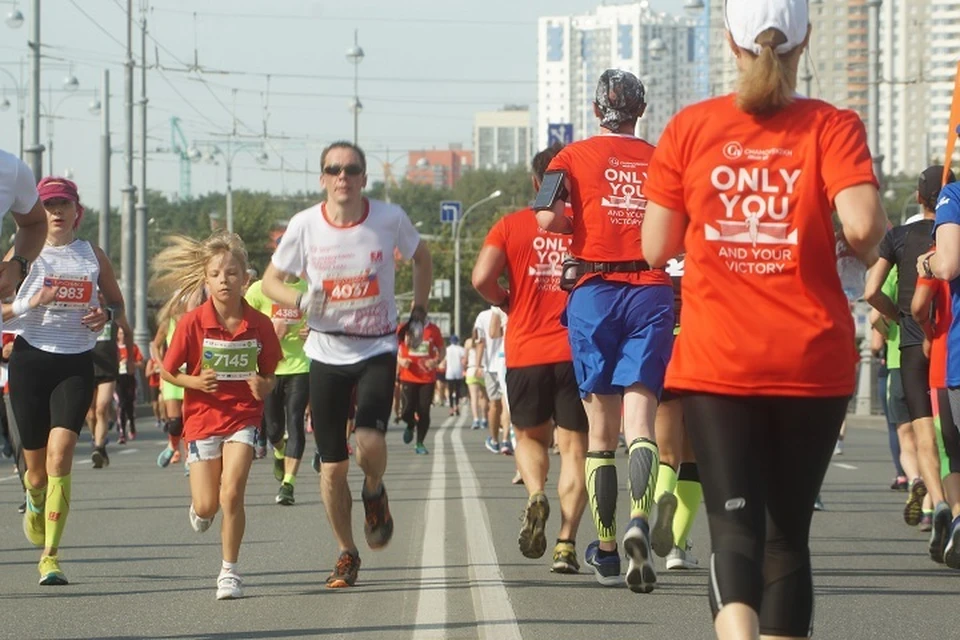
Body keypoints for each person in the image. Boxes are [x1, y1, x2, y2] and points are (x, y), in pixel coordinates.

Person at [640, 0, 887, 635]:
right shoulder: (832, 126)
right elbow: (863, 230)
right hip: (811, 360)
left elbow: (656, 247)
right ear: (805, 41)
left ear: (729, 40)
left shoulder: (690, 128)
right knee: (786, 538)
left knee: (735, 532)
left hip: (719, 362)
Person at [260, 140, 432, 588]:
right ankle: (346, 552)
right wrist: (300, 299)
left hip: (376, 347)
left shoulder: (388, 219)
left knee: (370, 441)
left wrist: (418, 310)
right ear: (322, 179)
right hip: (325, 352)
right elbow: (270, 281)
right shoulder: (304, 226)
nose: (343, 177)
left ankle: (374, 489)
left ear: (363, 179)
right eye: (334, 169)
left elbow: (422, 257)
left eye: (351, 169)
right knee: (333, 466)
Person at [535, 69, 673, 593]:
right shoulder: (663, 157)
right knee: (642, 420)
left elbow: (546, 218)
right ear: (640, 111)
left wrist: (584, 224)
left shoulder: (568, 157)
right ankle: (641, 517)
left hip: (594, 291)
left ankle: (609, 550)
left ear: (597, 111)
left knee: (601, 432)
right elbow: (678, 226)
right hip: (653, 289)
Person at [472, 142, 590, 574]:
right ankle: (566, 544)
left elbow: (481, 277)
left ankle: (536, 492)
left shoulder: (510, 225)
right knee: (575, 450)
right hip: (576, 352)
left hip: (525, 353)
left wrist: (505, 300)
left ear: (536, 183)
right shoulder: (585, 226)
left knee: (530, 438)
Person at [5, 176, 124, 586]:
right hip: (29, 361)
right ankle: (34, 499)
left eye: (63, 204)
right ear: (38, 212)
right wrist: (30, 301)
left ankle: (50, 557)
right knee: (36, 473)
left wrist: (105, 316)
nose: (56, 212)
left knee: (63, 453)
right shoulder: (23, 252)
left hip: (75, 362)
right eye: (48, 205)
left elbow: (116, 302)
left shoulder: (92, 255)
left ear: (78, 211)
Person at [154, 231, 282, 599]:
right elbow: (166, 370)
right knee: (208, 504)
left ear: (246, 278)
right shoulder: (193, 321)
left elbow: (271, 374)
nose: (224, 280)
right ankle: (200, 509)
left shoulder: (259, 324)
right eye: (216, 274)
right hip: (202, 420)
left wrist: (264, 385)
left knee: (233, 494)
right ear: (206, 279)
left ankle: (229, 572)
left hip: (243, 416)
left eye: (231, 273)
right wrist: (193, 381)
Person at [866, 166, 955, 540]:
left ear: (919, 197)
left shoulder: (899, 237)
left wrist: (897, 318)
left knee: (923, 434)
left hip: (913, 344)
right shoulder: (951, 235)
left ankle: (939, 504)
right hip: (948, 339)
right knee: (951, 433)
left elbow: (871, 291)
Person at [918, 171, 960, 568]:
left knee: (953, 449)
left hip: (949, 352)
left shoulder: (955, 194)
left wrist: (929, 259)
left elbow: (948, 266)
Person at [245, 273, 310, 506]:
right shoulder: (259, 289)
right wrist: (268, 333)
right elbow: (242, 324)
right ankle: (279, 451)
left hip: (300, 366)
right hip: (269, 369)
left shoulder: (306, 288)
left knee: (295, 421)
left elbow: (322, 322)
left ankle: (288, 484)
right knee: (273, 429)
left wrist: (312, 332)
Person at [397, 316, 444, 454]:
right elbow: (392, 346)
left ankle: (420, 443)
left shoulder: (433, 329)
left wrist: (436, 361)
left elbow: (442, 349)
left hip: (427, 378)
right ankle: (411, 424)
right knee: (406, 411)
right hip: (408, 376)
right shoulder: (403, 327)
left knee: (424, 411)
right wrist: (400, 360)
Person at [474, 307, 507, 453]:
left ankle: (494, 440)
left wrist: (477, 365)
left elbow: (481, 341)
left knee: (494, 404)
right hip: (511, 360)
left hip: (492, 365)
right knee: (506, 403)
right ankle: (506, 439)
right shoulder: (514, 307)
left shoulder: (483, 315)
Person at [115, 324, 143, 443]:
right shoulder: (114, 348)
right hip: (118, 379)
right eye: (120, 334)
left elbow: (141, 364)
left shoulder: (133, 348)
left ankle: (131, 424)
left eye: (124, 334)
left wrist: (131, 363)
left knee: (129, 405)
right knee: (121, 404)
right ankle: (122, 433)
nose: (122, 336)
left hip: (130, 378)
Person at [464, 337, 487, 430]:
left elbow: (465, 359)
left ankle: (476, 419)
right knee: (484, 397)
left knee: (474, 397)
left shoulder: (468, 342)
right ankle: (485, 419)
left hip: (472, 369)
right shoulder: (485, 340)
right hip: (484, 369)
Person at [444, 335, 466, 416]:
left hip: (449, 372)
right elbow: (463, 360)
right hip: (458, 371)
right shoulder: (461, 349)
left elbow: (445, 361)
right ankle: (456, 406)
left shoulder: (447, 349)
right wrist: (464, 369)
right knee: (457, 390)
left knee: (450, 391)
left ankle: (451, 408)